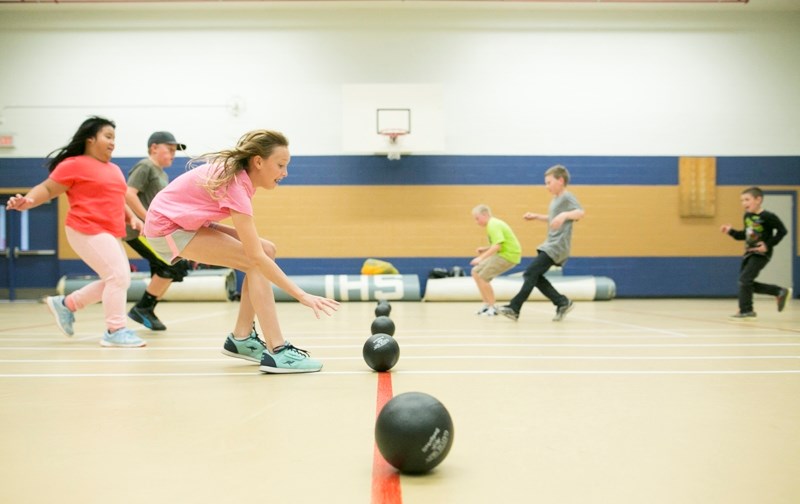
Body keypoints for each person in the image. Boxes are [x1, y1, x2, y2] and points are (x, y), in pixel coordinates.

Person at [143, 129, 339, 373]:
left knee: (267, 250)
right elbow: (255, 257)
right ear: (258, 161)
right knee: (256, 260)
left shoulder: (241, 180)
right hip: (167, 228)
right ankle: (278, 350)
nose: (285, 173)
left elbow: (258, 251)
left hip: (183, 223)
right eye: (280, 165)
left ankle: (242, 338)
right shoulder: (235, 184)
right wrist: (302, 295)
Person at [5, 116, 146, 347]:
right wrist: (28, 201)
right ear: (91, 139)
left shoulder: (114, 169)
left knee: (120, 279)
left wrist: (132, 217)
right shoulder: (73, 164)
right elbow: (48, 188)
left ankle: (67, 304)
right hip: (85, 228)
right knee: (118, 277)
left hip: (109, 231)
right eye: (108, 137)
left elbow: (118, 198)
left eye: (114, 138)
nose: (113, 142)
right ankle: (115, 330)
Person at [498, 164, 584, 322]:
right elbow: (553, 218)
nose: (547, 186)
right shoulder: (555, 200)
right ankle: (562, 302)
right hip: (550, 244)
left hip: (557, 246)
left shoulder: (567, 197)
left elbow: (580, 212)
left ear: (560, 180)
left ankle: (514, 308)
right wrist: (537, 217)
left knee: (530, 273)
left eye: (549, 182)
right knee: (535, 276)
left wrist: (564, 215)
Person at [124, 131, 190, 331]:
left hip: (155, 231)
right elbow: (128, 193)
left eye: (174, 151)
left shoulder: (162, 173)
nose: (172, 154)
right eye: (169, 150)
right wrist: (146, 219)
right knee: (171, 266)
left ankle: (147, 309)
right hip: (139, 231)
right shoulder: (146, 166)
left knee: (169, 269)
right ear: (154, 148)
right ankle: (143, 308)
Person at [721, 186, 790, 320]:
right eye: (742, 201)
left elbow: (782, 231)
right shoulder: (747, 216)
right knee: (745, 282)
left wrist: (767, 245)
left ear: (758, 200)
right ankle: (779, 291)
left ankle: (746, 310)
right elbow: (745, 235)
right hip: (749, 252)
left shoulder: (768, 216)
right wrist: (730, 231)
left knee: (744, 280)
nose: (744, 203)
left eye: (747, 200)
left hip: (761, 254)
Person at [470, 204, 522, 316]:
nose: (476, 221)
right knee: (475, 272)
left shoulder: (493, 225)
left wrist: (480, 258)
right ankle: (487, 304)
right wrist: (484, 249)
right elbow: (498, 244)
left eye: (477, 218)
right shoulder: (492, 225)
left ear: (484, 215)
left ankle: (493, 307)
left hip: (509, 255)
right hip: (503, 253)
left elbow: (497, 246)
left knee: (483, 277)